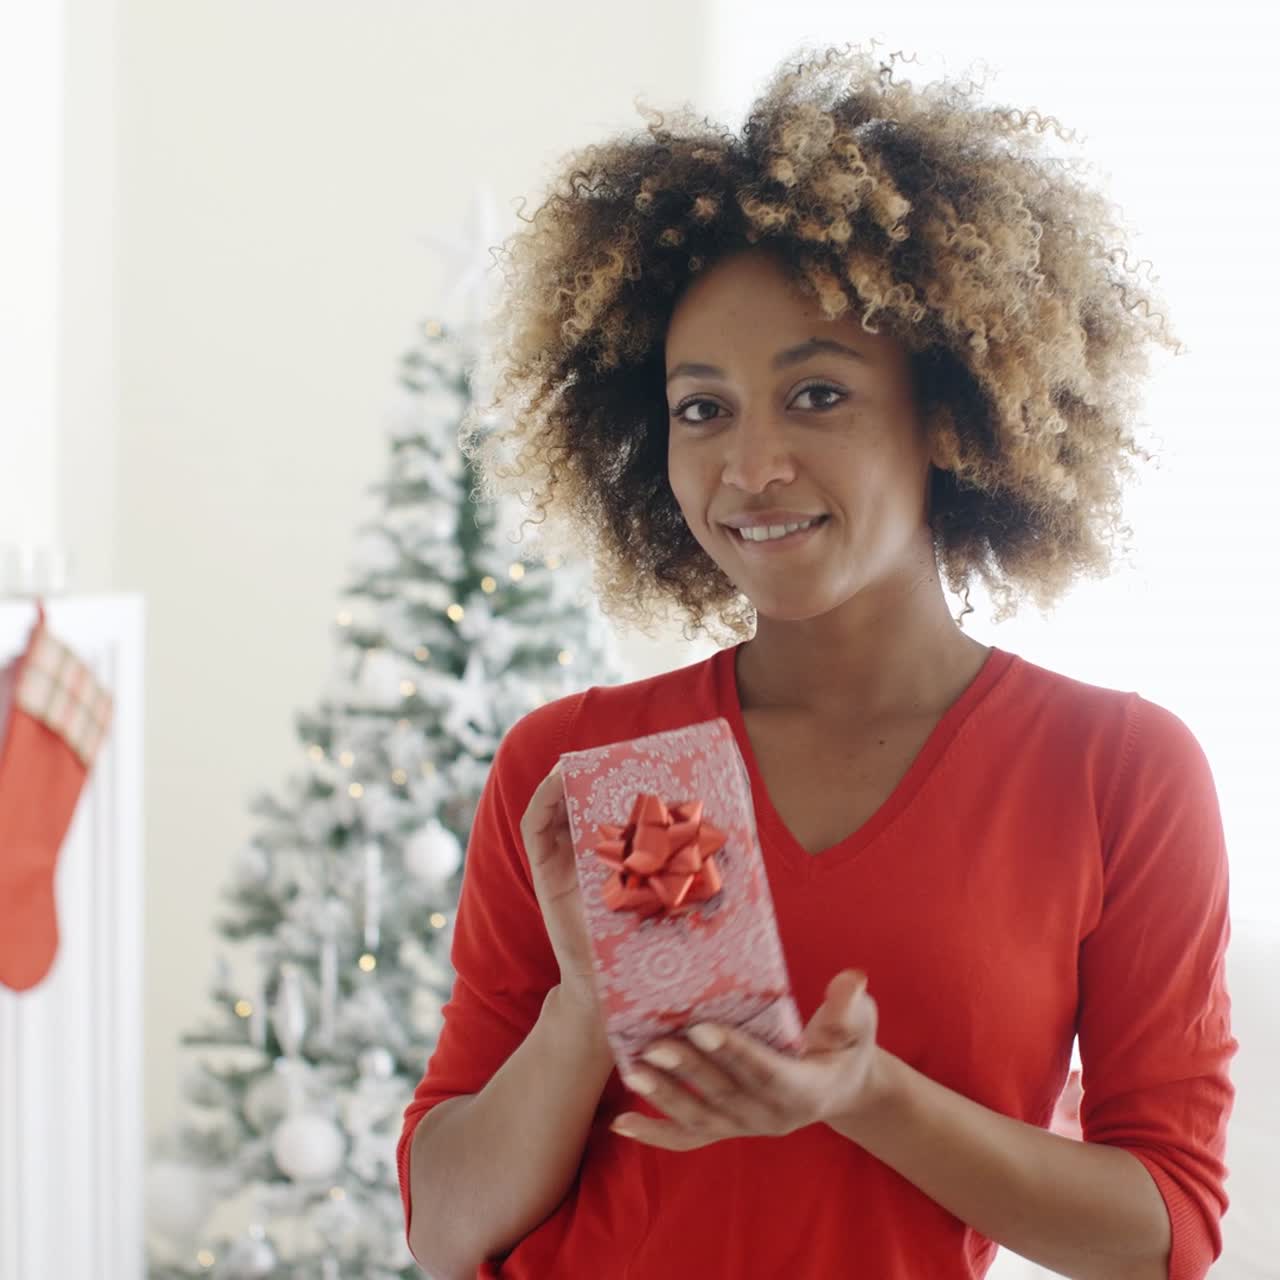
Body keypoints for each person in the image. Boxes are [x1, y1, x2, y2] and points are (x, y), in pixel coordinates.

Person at [396, 40, 1237, 1280]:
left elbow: (1162, 1230)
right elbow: (447, 1225)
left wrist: (862, 1092)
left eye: (818, 395)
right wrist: (585, 1002)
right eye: (701, 407)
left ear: (947, 411)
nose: (747, 466)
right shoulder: (579, 763)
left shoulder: (1115, 770)